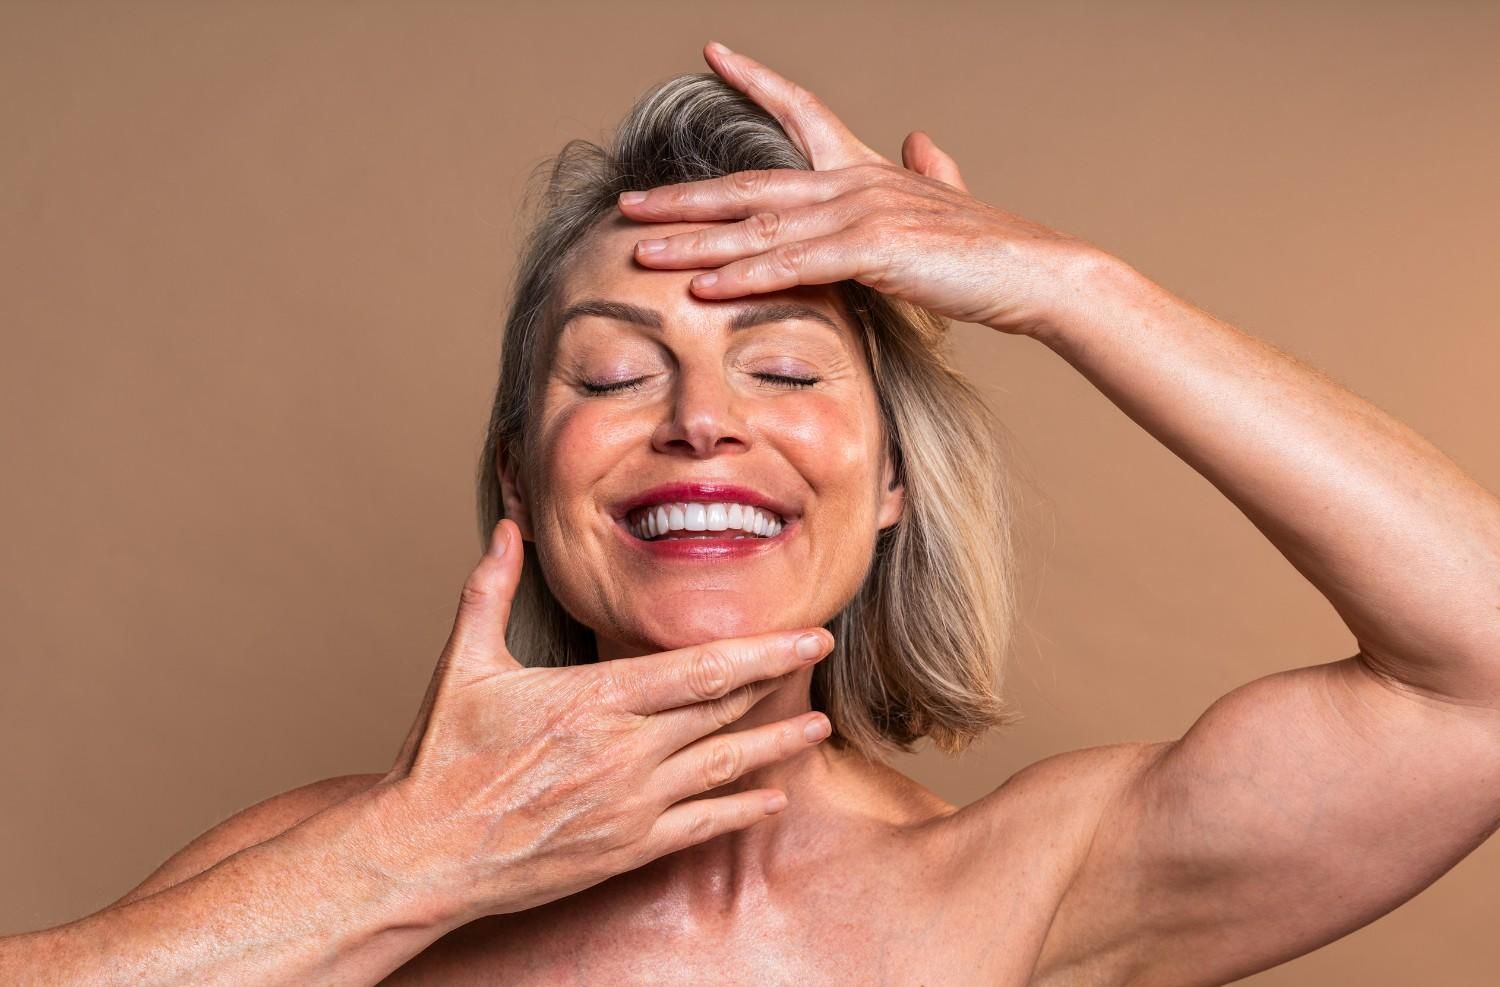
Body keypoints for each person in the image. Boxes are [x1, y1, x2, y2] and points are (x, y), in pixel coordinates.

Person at [5, 40, 1500, 985]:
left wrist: (1067, 287)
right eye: (613, 373)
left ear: (894, 482)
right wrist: (408, 866)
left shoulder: (1024, 890)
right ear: (525, 480)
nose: (700, 419)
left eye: (782, 366)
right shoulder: (325, 867)